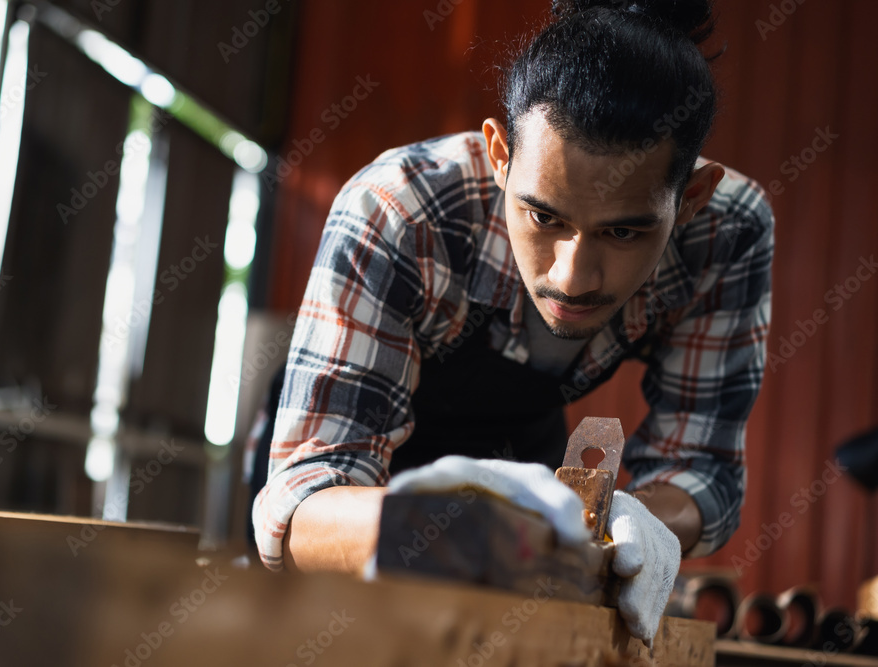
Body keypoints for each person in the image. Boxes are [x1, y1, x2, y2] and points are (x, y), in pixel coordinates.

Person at [252, 0, 773, 646]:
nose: (573, 276)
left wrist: (632, 518)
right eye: (544, 217)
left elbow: (703, 468)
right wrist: (438, 524)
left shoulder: (728, 233)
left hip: (526, 455)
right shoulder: (402, 211)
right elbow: (302, 502)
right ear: (500, 155)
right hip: (350, 479)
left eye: (623, 231)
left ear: (689, 201)